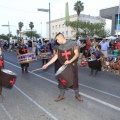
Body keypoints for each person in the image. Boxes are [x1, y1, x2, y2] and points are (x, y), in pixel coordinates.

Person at [41, 32, 83, 102]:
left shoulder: (72, 44)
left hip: (72, 66)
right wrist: (47, 64)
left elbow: (76, 54)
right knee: (62, 80)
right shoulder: (59, 48)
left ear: (61, 38)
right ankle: (61, 95)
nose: (57, 41)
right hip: (64, 67)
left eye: (57, 39)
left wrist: (70, 61)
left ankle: (77, 94)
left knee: (75, 80)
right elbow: (56, 57)